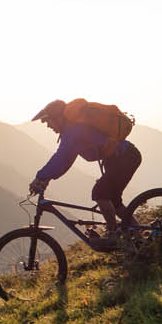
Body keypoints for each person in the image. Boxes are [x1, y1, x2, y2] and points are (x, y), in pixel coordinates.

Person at [28, 98, 142, 235]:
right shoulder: (71, 131)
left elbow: (60, 157)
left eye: (49, 121)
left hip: (124, 158)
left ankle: (112, 234)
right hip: (122, 158)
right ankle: (139, 233)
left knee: (100, 193)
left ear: (58, 117)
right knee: (113, 201)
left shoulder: (73, 131)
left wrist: (40, 176)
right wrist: (47, 179)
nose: (48, 126)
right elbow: (65, 161)